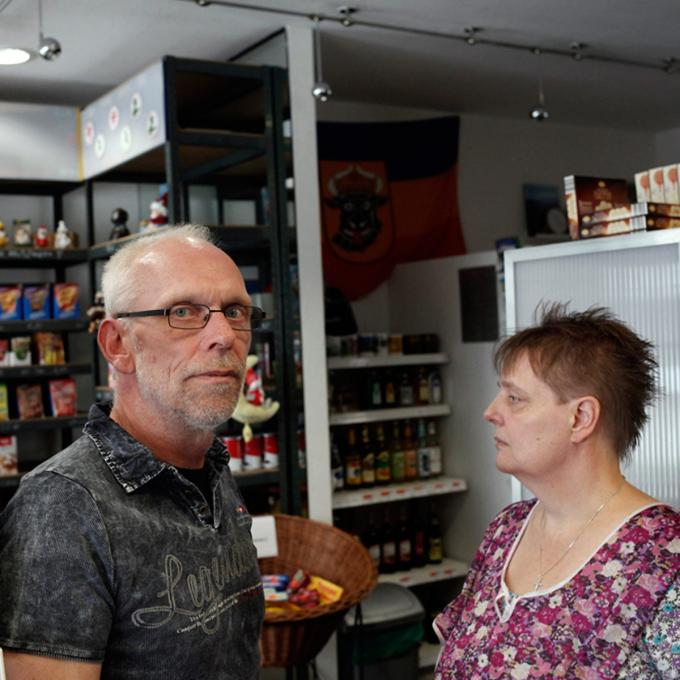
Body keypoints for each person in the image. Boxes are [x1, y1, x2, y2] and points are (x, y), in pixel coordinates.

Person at [0, 224, 266, 679]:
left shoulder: (211, 466)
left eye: (236, 310)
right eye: (183, 311)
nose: (224, 335)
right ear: (117, 345)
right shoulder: (63, 507)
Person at [434, 304, 679, 679]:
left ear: (580, 418)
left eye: (515, 398)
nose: (490, 411)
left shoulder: (663, 557)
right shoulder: (506, 530)